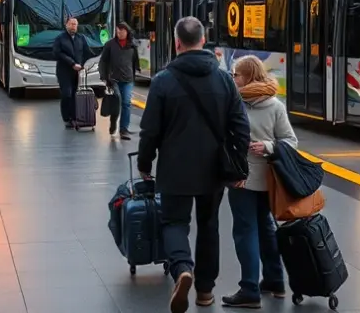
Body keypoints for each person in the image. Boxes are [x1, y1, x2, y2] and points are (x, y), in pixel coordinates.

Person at [138, 17, 250, 313]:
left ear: (177, 43)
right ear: (203, 40)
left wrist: (144, 163)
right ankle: (205, 291)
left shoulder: (163, 80)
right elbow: (241, 127)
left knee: (174, 222)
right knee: (209, 225)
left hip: (175, 167)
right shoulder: (225, 79)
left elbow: (150, 130)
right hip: (214, 168)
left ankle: (182, 268)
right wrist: (240, 168)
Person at [222, 56, 296, 308]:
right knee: (265, 227)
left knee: (245, 231)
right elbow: (288, 141)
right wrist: (270, 146)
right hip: (269, 180)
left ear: (248, 77)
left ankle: (249, 289)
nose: (233, 79)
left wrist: (263, 146)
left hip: (242, 179)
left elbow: (291, 142)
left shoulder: (235, 104)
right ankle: (275, 280)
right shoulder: (276, 104)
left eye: (237, 75)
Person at [98, 22, 139, 140]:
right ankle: (113, 122)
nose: (119, 33)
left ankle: (124, 129)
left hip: (128, 79)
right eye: (117, 31)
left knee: (126, 103)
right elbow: (103, 61)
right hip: (113, 79)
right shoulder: (110, 44)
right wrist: (104, 76)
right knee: (117, 101)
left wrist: (135, 74)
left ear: (127, 32)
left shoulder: (132, 45)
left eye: (122, 31)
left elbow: (135, 61)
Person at [53, 17, 88, 128]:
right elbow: (57, 53)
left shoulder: (81, 38)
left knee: (74, 94)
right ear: (66, 25)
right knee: (66, 94)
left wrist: (84, 65)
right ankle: (66, 118)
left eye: (75, 24)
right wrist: (72, 63)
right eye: (72, 24)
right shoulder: (60, 39)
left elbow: (87, 52)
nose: (74, 26)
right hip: (64, 71)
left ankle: (74, 117)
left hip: (77, 72)